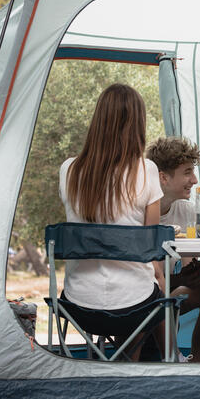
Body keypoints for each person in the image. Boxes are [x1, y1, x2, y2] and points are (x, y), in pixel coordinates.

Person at [59, 84, 164, 361]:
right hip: (135, 307)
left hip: (78, 303)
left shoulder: (69, 170)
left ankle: (110, 364)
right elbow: (152, 243)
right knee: (157, 294)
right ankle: (132, 364)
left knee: (141, 291)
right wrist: (161, 279)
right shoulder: (147, 170)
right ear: (137, 125)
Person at [146, 136, 200, 362]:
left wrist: (192, 272)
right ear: (163, 177)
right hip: (140, 295)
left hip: (165, 290)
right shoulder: (138, 210)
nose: (194, 180)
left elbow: (189, 279)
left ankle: (195, 364)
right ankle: (172, 357)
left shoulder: (186, 211)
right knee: (158, 292)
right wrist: (175, 279)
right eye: (187, 172)